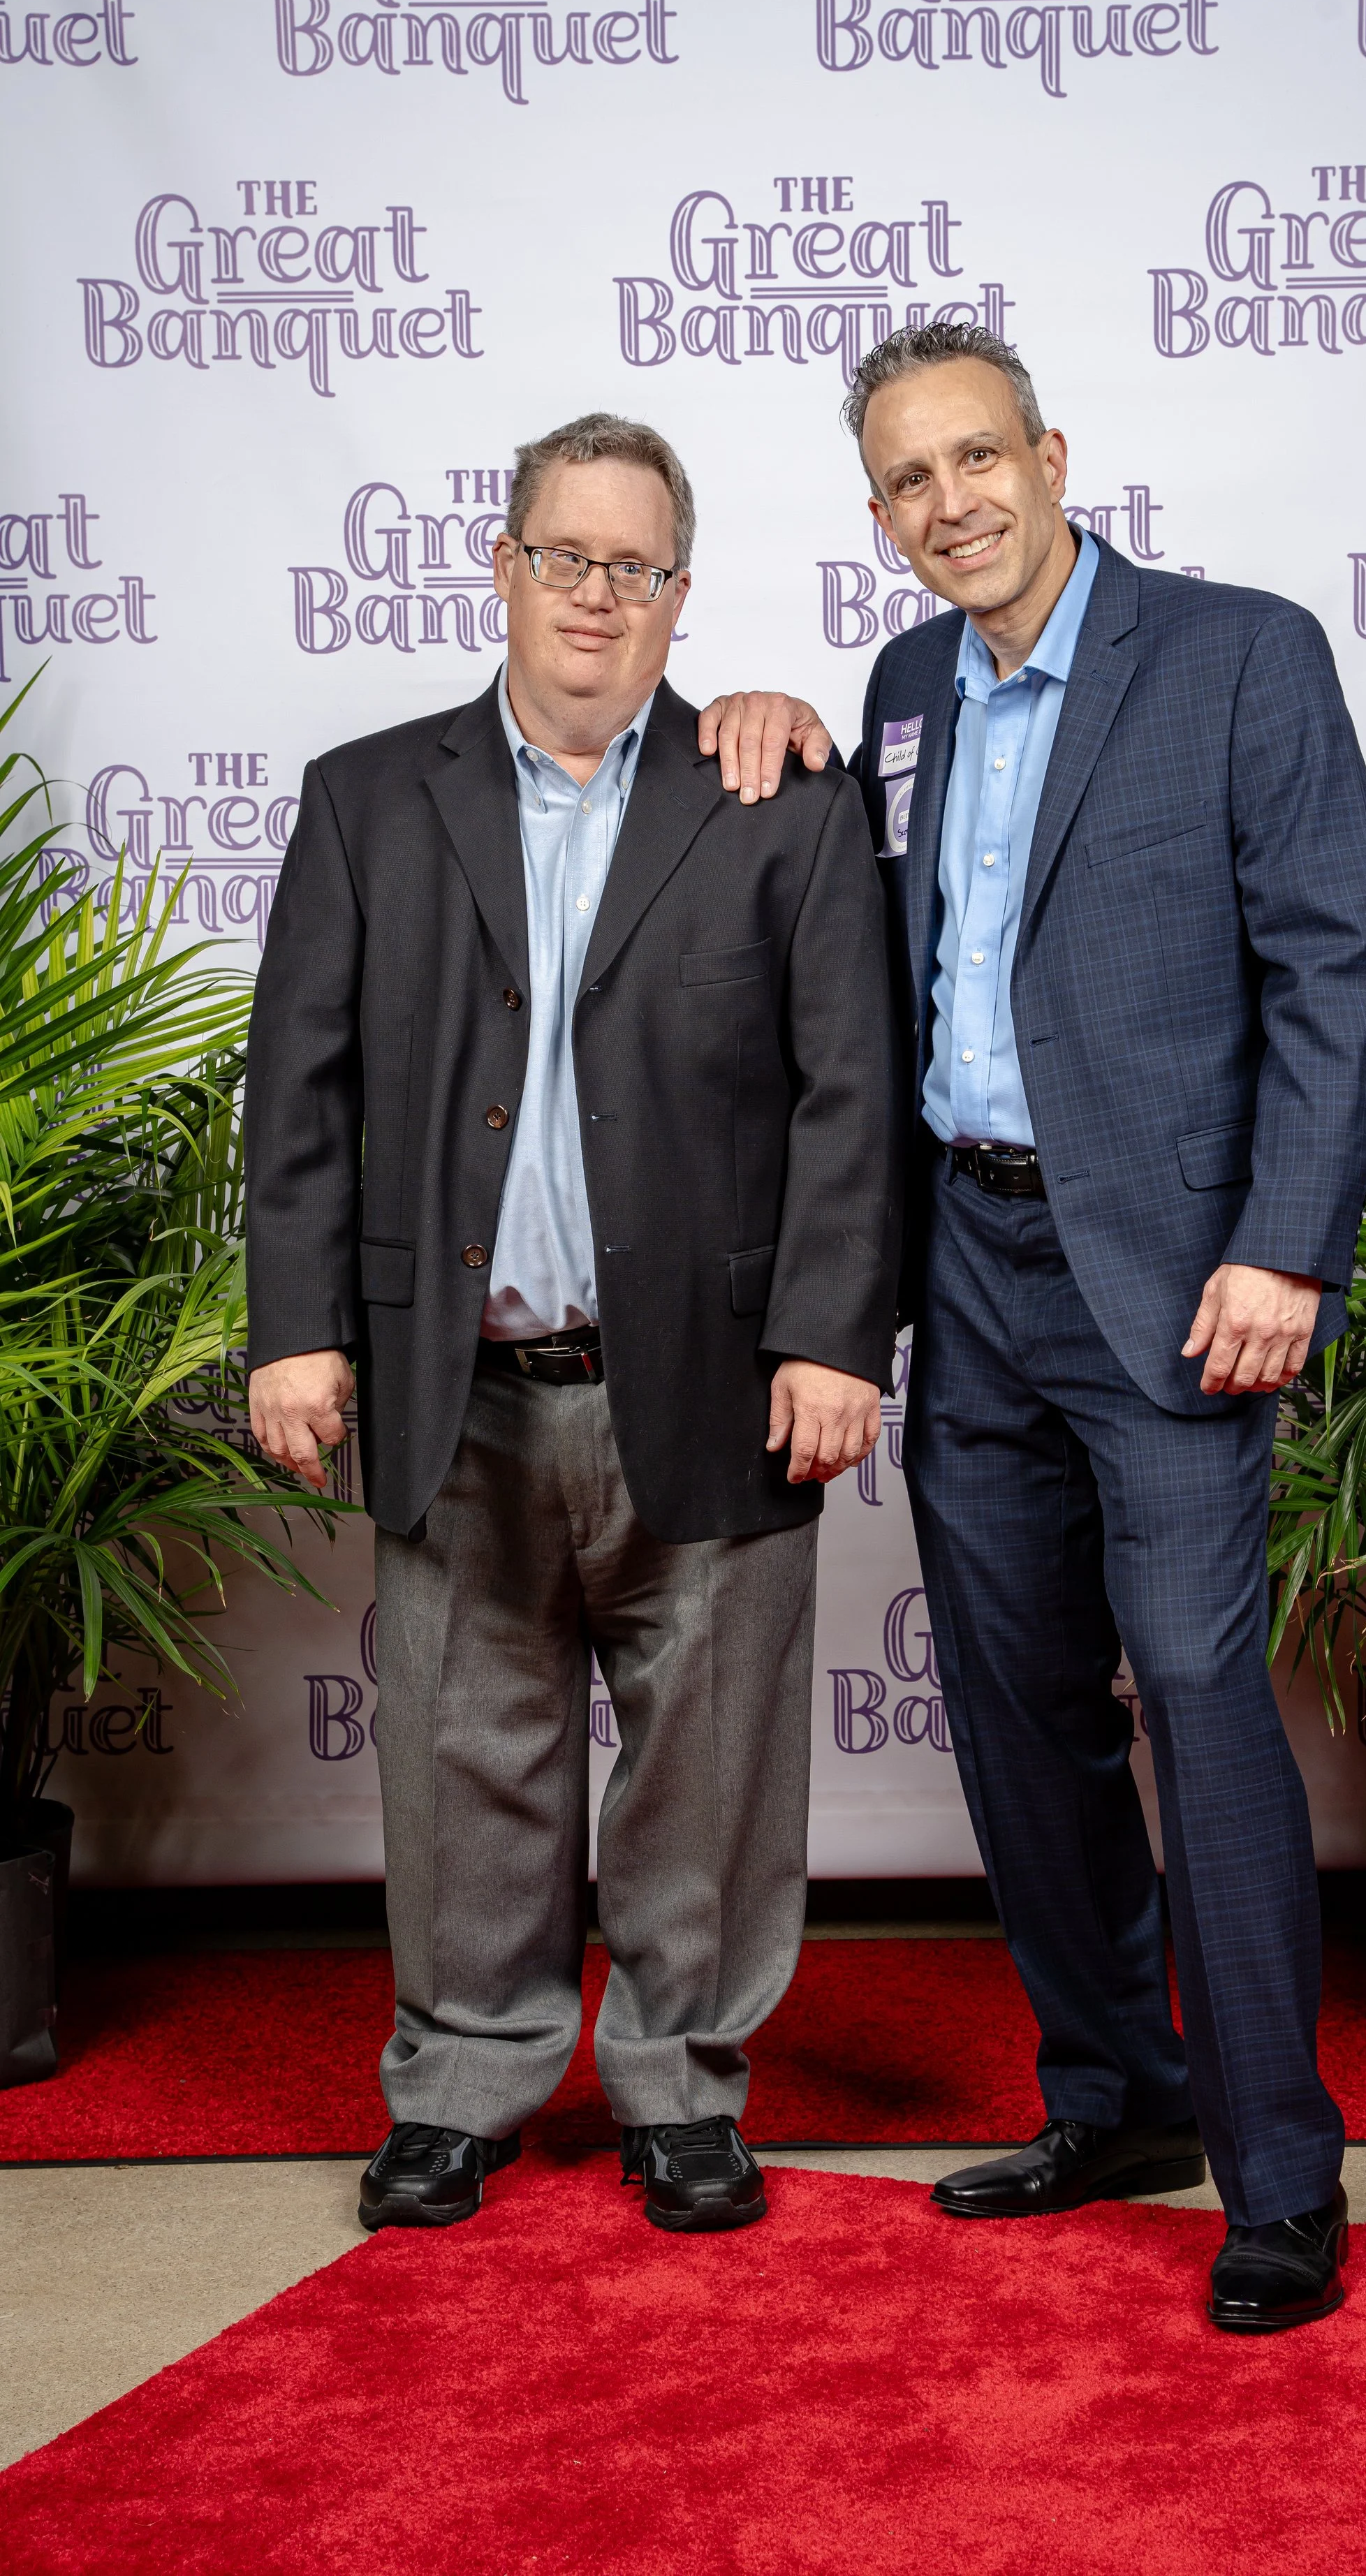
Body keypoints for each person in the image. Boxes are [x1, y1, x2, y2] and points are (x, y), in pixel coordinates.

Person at [703, 325, 1366, 2332]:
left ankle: (1280, 2172)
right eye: (908, 480)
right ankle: (1116, 2098)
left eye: (977, 457)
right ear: (878, 516)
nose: (952, 503)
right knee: (1016, 1715)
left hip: (1178, 1281)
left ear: (1052, 453)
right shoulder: (904, 686)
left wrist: (1284, 1247)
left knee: (1193, 1695)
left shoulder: (1236, 652)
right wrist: (757, 716)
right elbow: (866, 943)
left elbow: (1334, 969)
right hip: (971, 1277)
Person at [245, 413, 901, 2239]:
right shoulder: (369, 795)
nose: (595, 594)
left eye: (634, 565)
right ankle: (459, 2081)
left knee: (711, 1766)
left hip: (707, 1377)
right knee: (462, 1750)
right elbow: (293, 1085)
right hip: (454, 1380)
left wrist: (836, 1336)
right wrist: (296, 1328)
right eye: (565, 555)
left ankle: (686, 2084)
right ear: (503, 563)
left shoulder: (779, 799)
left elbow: (852, 1089)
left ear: (679, 592)